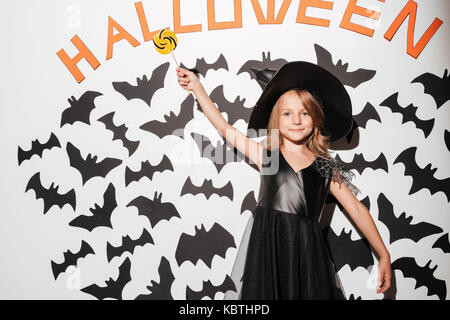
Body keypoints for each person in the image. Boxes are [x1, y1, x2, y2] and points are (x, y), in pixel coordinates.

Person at [176, 61, 392, 300]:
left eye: (305, 113)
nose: (296, 120)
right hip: (268, 248)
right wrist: (197, 88)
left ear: (317, 119)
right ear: (276, 119)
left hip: (307, 255)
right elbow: (225, 128)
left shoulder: (325, 166)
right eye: (287, 114)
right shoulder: (267, 156)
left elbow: (356, 209)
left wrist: (383, 255)